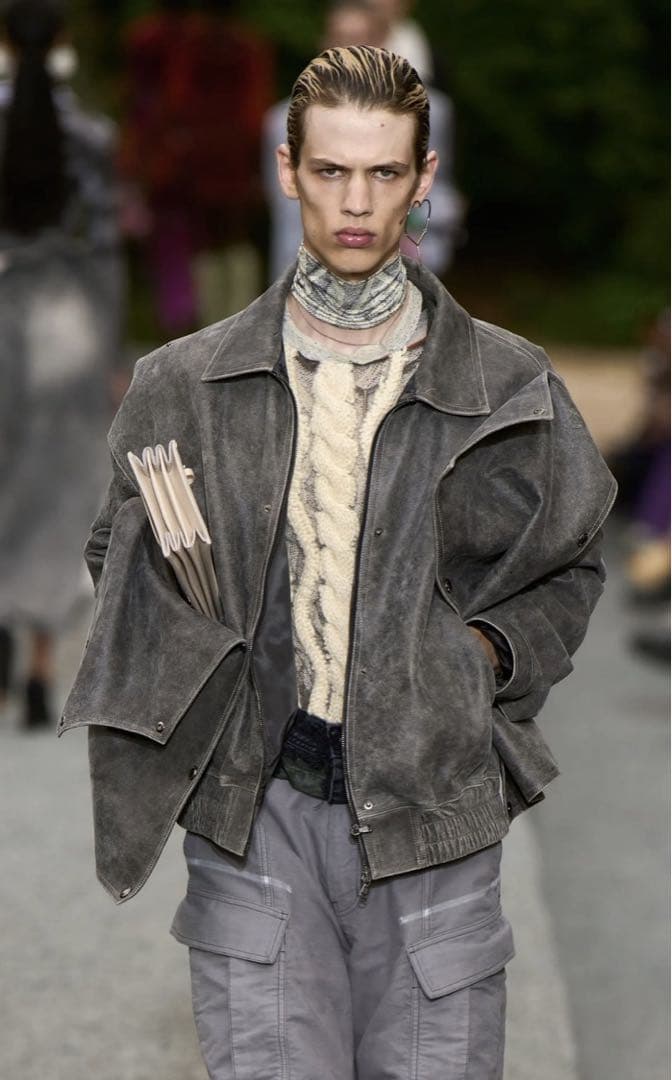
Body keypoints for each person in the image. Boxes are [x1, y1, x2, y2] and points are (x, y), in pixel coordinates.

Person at [62, 46, 616, 1078]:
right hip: (255, 809)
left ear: (424, 176)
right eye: (329, 170)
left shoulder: (506, 384)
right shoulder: (184, 383)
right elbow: (118, 554)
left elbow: (571, 559)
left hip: (435, 809)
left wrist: (488, 658)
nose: (356, 202)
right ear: (287, 170)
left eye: (383, 172)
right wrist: (194, 676)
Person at [0, 0, 121, 728]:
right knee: (51, 488)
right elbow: (102, 248)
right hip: (62, 322)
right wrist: (109, 349)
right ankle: (43, 657)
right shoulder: (90, 137)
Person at [263, 0, 462, 281]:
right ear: (323, 46)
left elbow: (437, 194)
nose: (350, 52)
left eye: (362, 40)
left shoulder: (427, 112)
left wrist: (424, 255)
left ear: (383, 45)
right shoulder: (284, 120)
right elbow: (286, 212)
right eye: (340, 41)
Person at [119, 0, 273, 335]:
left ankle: (203, 324)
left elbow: (175, 99)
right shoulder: (236, 46)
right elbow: (252, 110)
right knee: (224, 241)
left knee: (203, 243)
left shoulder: (189, 45)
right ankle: (228, 324)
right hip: (221, 162)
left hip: (198, 162)